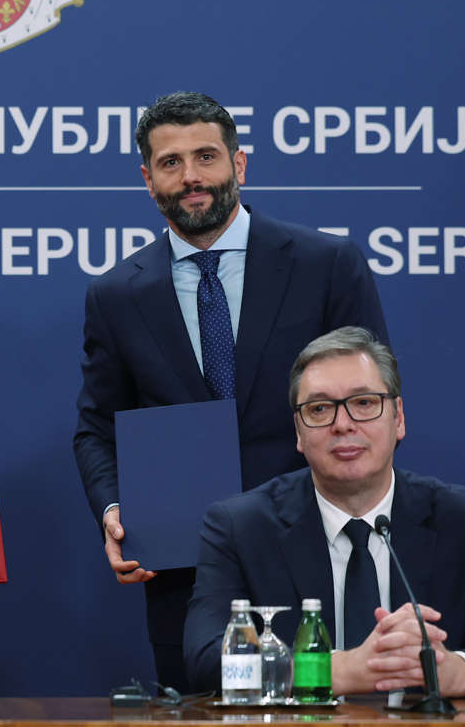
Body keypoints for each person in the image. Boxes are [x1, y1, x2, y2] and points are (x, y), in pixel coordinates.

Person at [72, 90, 389, 692]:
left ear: (239, 165)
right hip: (186, 572)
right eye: (170, 163)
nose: (191, 177)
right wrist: (116, 512)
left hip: (323, 552)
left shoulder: (327, 264)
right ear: (147, 179)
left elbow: (373, 401)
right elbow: (97, 428)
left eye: (206, 157)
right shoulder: (116, 295)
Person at [183, 327, 465, 697]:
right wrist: (345, 670)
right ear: (298, 432)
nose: (343, 424)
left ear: (397, 417)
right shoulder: (240, 527)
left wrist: (456, 672)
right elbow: (205, 659)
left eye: (364, 403)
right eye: (319, 409)